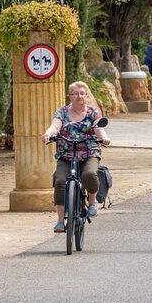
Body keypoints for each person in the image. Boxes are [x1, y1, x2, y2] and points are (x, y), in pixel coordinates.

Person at [41, 82, 111, 233]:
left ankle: (92, 203)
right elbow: (55, 126)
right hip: (66, 153)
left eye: (82, 93)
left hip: (89, 152)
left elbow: (99, 129)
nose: (79, 96)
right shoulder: (62, 112)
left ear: (87, 96)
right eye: (75, 93)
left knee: (89, 174)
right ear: (70, 96)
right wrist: (49, 134)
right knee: (60, 181)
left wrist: (104, 138)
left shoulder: (93, 112)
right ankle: (60, 221)